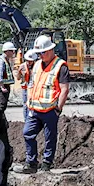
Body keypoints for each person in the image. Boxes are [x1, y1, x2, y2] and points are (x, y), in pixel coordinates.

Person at [17, 34, 69, 174]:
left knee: (49, 138)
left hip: (50, 110)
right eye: (38, 53)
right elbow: (32, 84)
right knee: (27, 133)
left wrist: (59, 108)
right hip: (34, 109)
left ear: (50, 50)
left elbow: (64, 89)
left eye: (42, 53)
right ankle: (31, 163)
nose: (40, 56)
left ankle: (47, 163)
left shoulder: (60, 66)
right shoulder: (37, 65)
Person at [0, 41, 17, 112]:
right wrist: (2, 87)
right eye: (12, 51)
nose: (13, 53)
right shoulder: (1, 61)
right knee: (2, 105)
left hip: (5, 85)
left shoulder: (6, 60)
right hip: (2, 86)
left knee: (4, 104)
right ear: (7, 51)